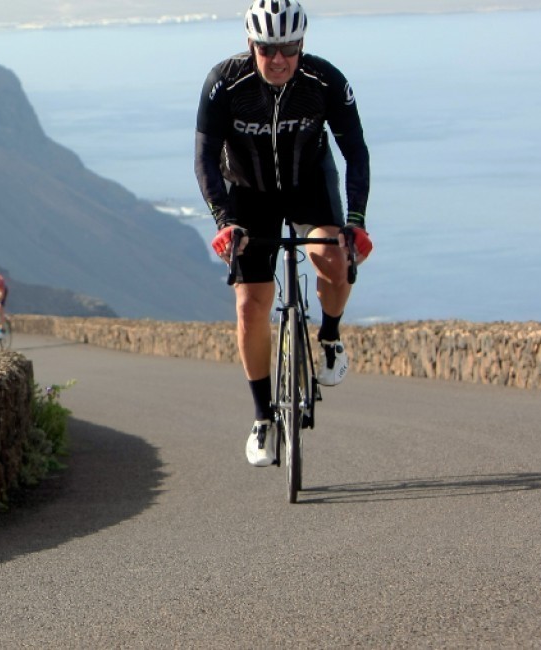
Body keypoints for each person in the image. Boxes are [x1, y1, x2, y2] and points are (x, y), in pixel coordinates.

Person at [194, 0, 373, 467]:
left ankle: (330, 337)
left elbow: (355, 151)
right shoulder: (224, 83)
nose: (278, 59)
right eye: (268, 48)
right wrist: (222, 221)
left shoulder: (324, 81)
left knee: (332, 260)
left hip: (308, 187)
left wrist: (355, 221)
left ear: (302, 44)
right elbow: (205, 158)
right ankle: (262, 417)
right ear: (250, 44)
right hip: (247, 196)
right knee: (250, 307)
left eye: (289, 48)